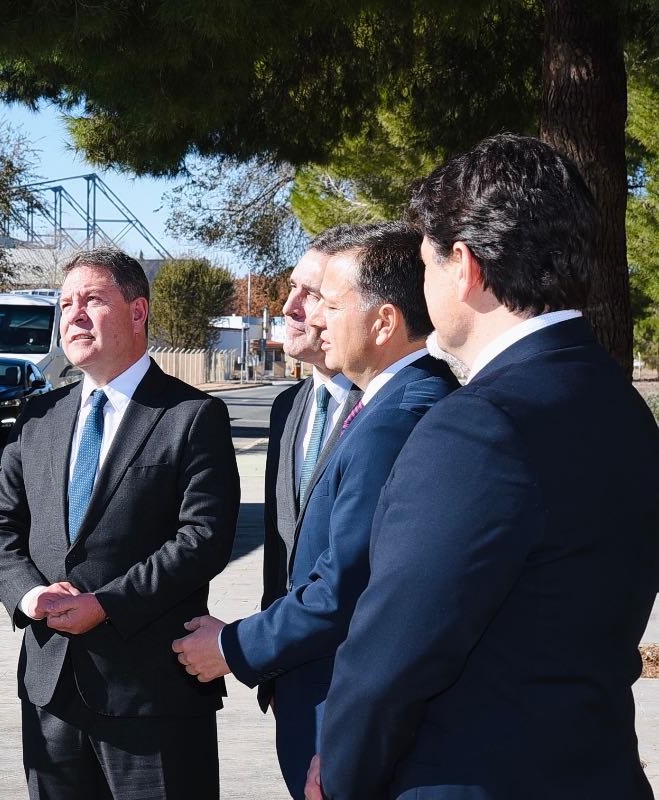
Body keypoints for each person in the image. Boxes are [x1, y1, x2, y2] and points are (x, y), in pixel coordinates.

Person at [310, 134, 659, 799]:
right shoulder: (618, 402)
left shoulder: (476, 426)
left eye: (426, 263)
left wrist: (342, 774)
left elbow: (392, 655)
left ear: (464, 267)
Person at [172, 223, 457, 799]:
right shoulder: (347, 406)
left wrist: (236, 646)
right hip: (306, 691)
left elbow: (351, 586)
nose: (311, 315)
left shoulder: (397, 418)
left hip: (351, 703)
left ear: (383, 320)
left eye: (327, 300)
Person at [0, 246, 240, 800]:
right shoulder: (39, 418)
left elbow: (203, 540)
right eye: (66, 303)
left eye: (92, 300)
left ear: (138, 312)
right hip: (51, 693)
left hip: (152, 697)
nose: (73, 316)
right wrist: (31, 598)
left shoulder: (192, 417)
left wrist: (106, 605)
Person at [256, 227, 363, 697]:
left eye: (312, 294)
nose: (289, 307)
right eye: (291, 288)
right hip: (288, 678)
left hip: (352, 682)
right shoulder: (288, 406)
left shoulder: (391, 408)